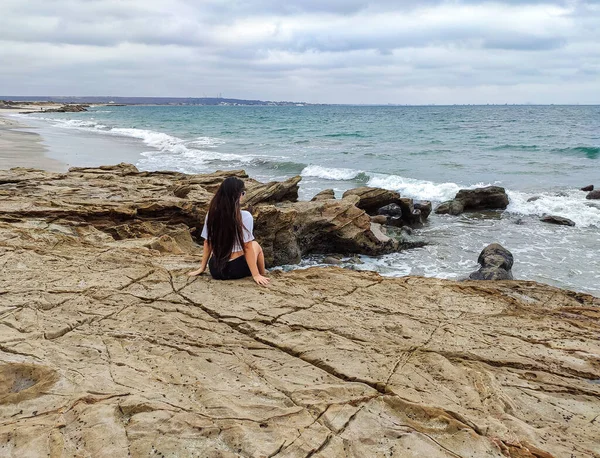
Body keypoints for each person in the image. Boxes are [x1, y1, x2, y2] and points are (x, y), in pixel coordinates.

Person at [188, 177, 270, 286]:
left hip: (216, 269)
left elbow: (208, 243)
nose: (243, 196)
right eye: (243, 193)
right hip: (236, 269)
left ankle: (260, 274)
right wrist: (255, 275)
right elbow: (247, 247)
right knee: (256, 245)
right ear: (238, 195)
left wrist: (202, 268)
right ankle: (262, 274)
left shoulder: (211, 214)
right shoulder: (245, 216)